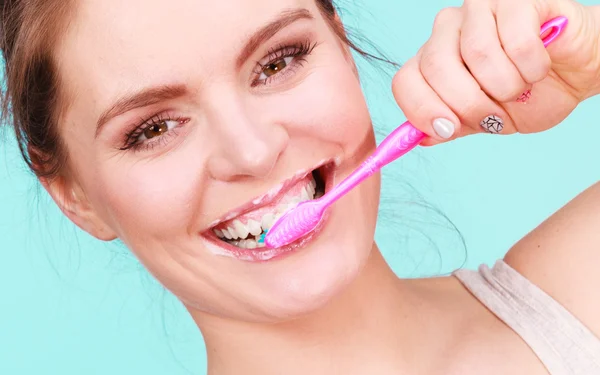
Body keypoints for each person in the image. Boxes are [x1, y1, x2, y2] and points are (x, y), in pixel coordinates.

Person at [1, 0, 598, 373]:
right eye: (153, 129)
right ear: (73, 195)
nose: (253, 152)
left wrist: (593, 58)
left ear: (341, 44)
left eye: (278, 61)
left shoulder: (578, 300)